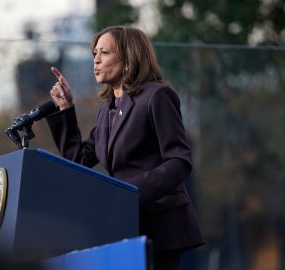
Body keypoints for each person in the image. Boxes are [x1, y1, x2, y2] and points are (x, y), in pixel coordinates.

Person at [46, 25, 203, 270]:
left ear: (129, 57)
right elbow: (78, 160)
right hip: (125, 228)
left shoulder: (157, 96)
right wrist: (66, 109)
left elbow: (179, 161)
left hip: (160, 227)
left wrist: (129, 193)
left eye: (104, 52)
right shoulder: (106, 112)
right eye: (94, 54)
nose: (96, 59)